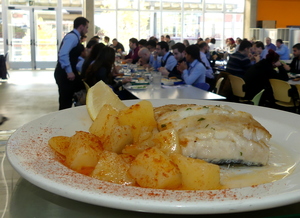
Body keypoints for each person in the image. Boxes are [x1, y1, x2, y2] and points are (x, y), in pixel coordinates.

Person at [54, 16, 89, 110]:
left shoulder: (75, 37)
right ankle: (62, 121)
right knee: (65, 102)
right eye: (86, 27)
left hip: (67, 73)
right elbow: (63, 54)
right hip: (64, 74)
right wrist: (69, 71)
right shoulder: (72, 37)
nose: (87, 30)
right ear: (81, 26)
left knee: (68, 100)